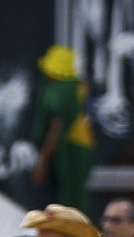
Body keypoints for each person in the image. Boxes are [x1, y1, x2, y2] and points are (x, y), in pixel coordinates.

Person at [30, 46, 94, 209]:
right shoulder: (79, 88)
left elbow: (55, 128)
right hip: (82, 150)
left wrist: (42, 161)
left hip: (63, 154)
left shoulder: (58, 92)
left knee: (59, 204)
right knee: (77, 199)